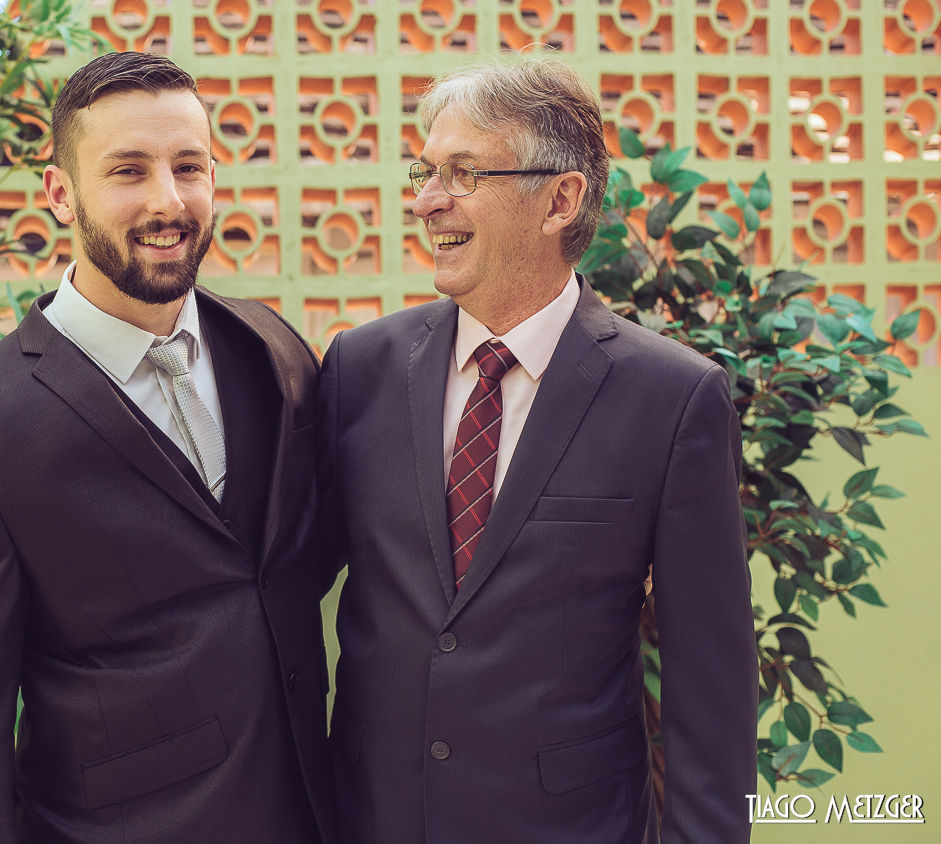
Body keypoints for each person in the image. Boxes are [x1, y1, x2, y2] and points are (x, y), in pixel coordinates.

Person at [0, 52, 333, 844]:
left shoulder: (272, 348)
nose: (168, 201)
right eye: (129, 170)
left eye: (188, 167)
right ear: (60, 193)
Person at [318, 54, 757, 844]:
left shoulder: (674, 398)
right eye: (424, 172)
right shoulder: (359, 369)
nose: (426, 201)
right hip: (374, 819)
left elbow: (711, 686)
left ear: (561, 198)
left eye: (463, 173)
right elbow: (280, 588)